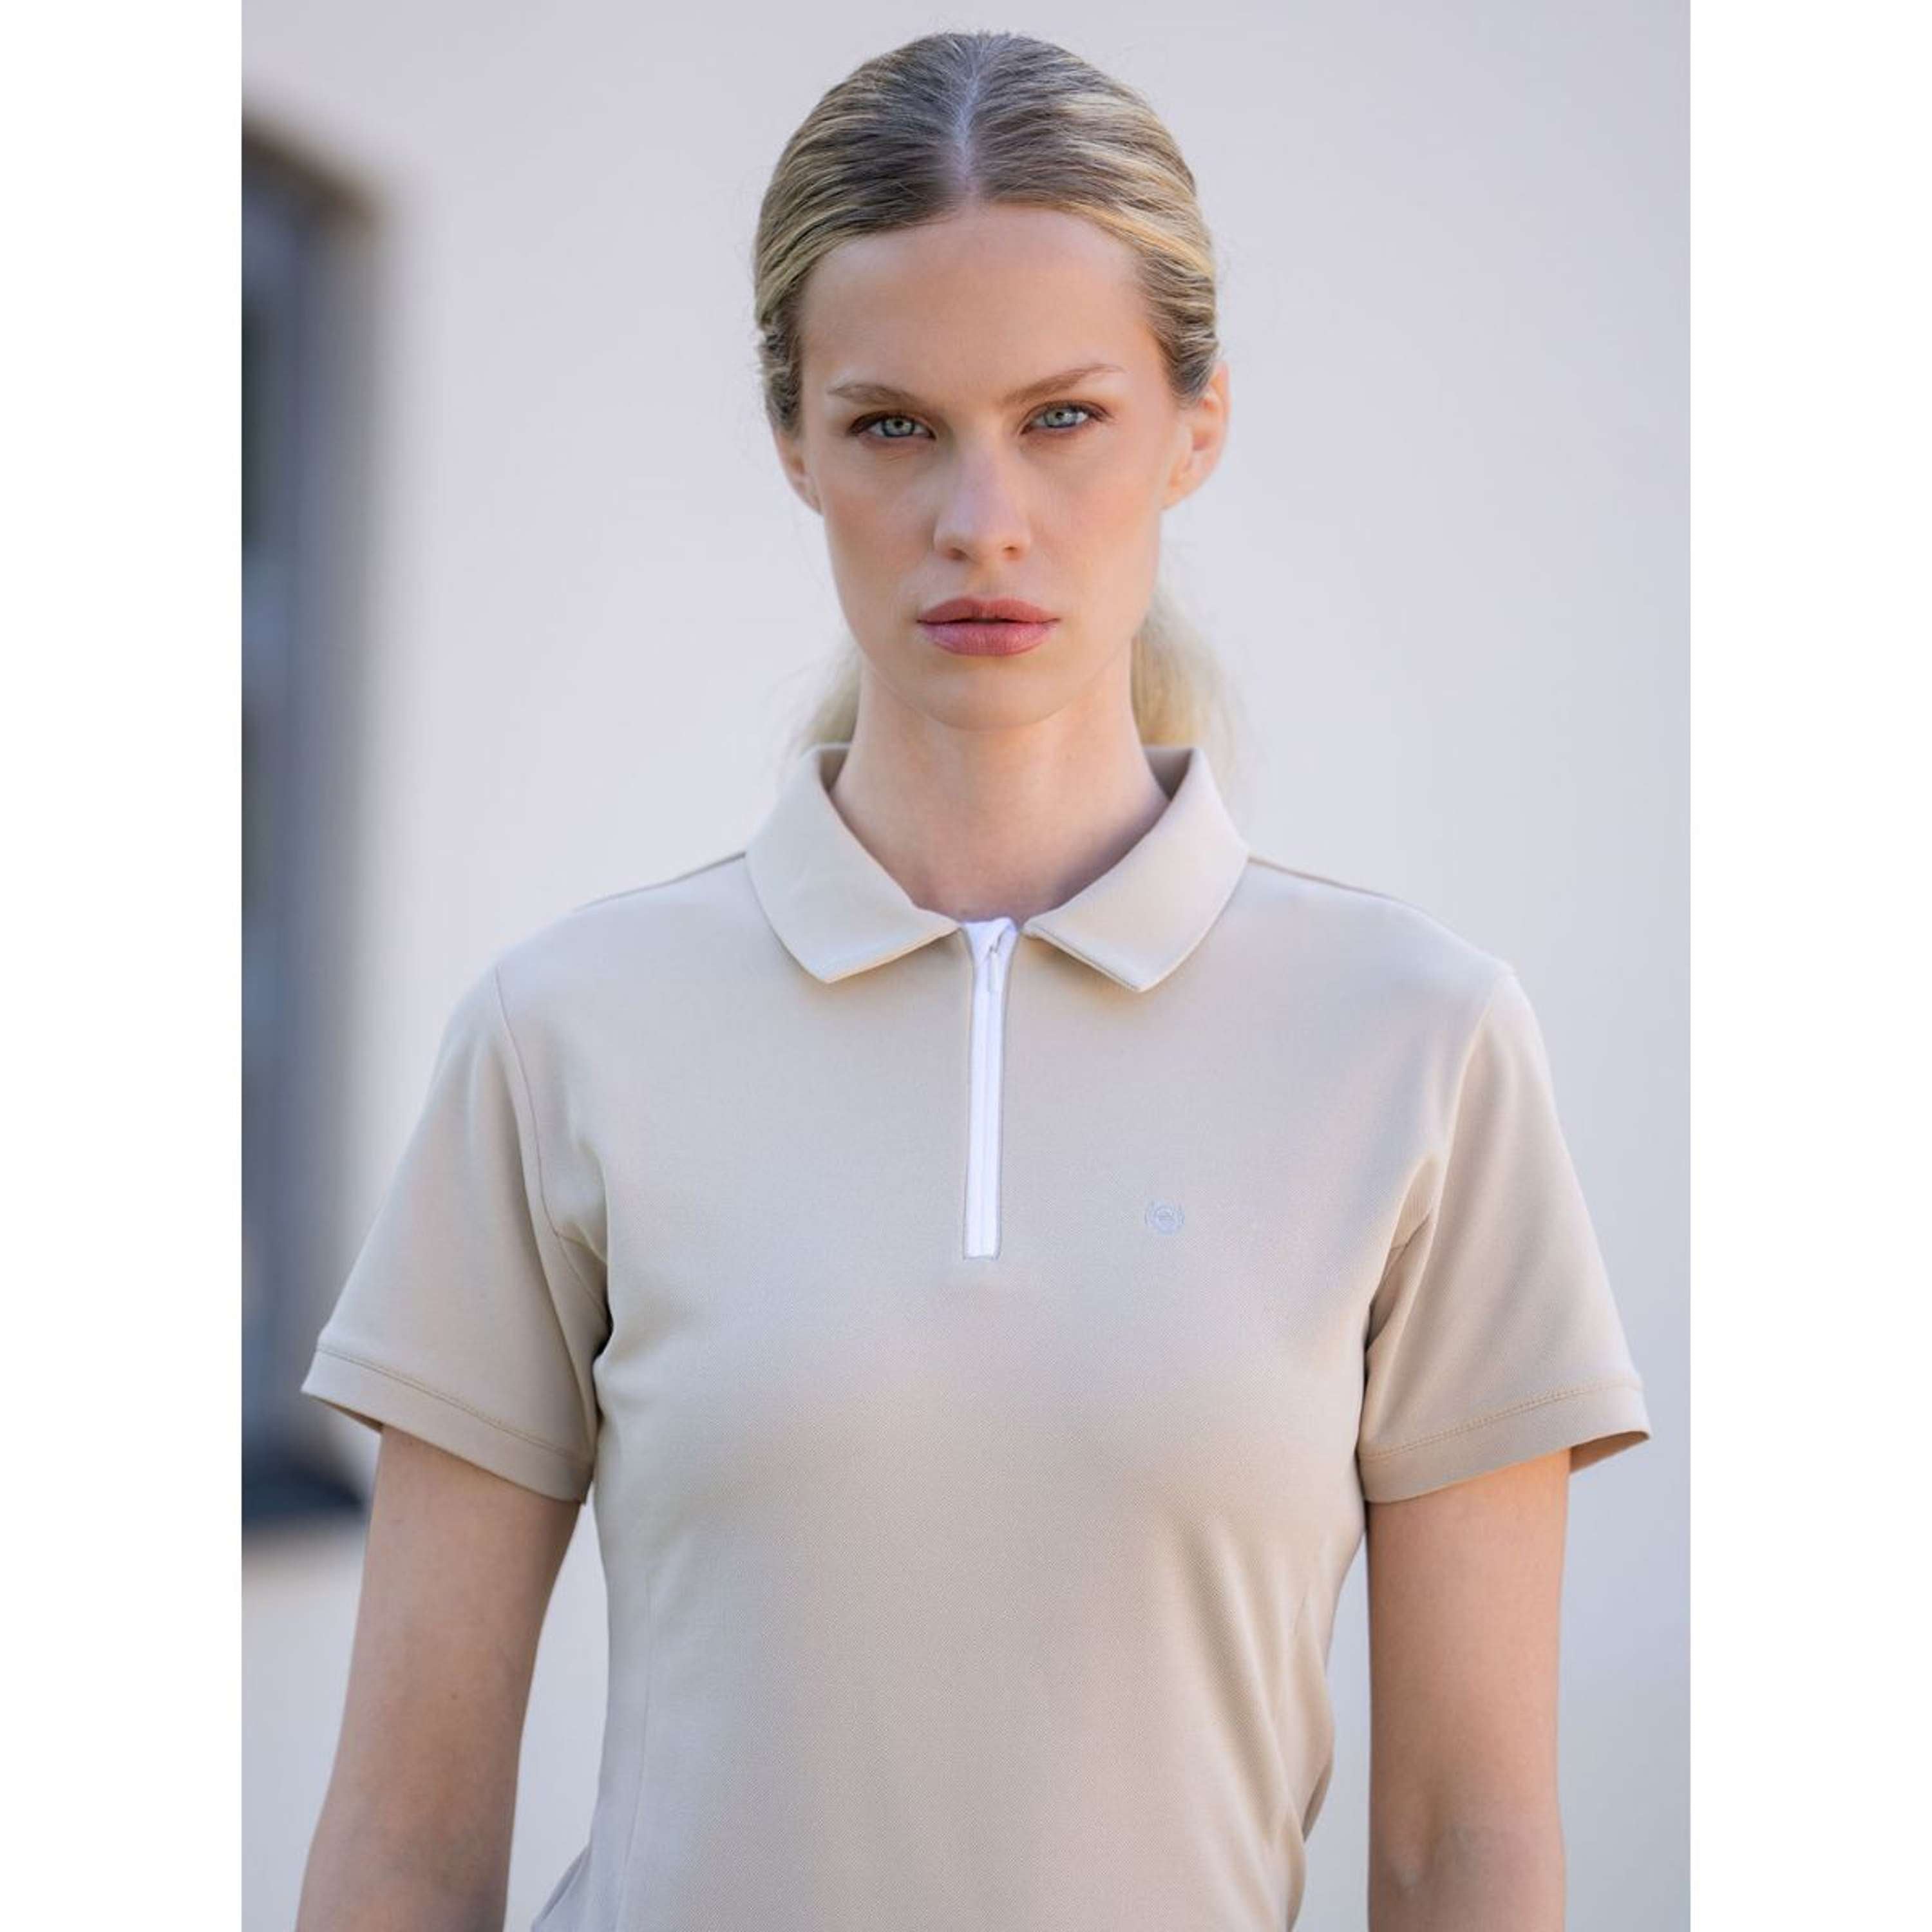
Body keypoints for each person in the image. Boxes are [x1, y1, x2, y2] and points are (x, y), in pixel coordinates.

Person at [294, 28, 1652, 1932]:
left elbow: (1467, 1849)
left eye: (1063, 417)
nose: (981, 519)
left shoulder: (1419, 1046)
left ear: (1198, 423)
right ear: (795, 440)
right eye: (894, 426)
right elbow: (403, 1834)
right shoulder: (565, 1035)